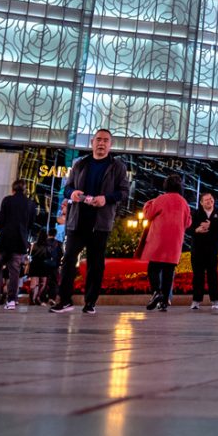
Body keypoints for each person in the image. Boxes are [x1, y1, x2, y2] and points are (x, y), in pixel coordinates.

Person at [54, 128, 128, 315]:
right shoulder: (80, 164)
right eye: (98, 140)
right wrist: (73, 193)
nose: (101, 143)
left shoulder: (117, 166)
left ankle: (90, 302)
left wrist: (106, 198)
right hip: (77, 220)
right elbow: (67, 188)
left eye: (105, 140)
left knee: (96, 264)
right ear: (92, 142)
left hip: (100, 222)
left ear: (110, 145)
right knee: (69, 258)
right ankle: (64, 300)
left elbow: (124, 192)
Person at [141, 179, 189, 312]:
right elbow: (188, 222)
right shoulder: (184, 202)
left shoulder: (161, 199)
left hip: (158, 239)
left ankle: (157, 292)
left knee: (153, 268)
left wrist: (148, 204)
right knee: (169, 272)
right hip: (175, 242)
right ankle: (164, 303)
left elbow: (148, 214)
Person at [0, 179, 36, 309]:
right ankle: (11, 300)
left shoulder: (7, 200)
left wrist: (2, 229)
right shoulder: (30, 204)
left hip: (5, 238)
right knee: (14, 271)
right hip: (20, 240)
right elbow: (31, 223)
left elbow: (0, 219)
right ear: (25, 189)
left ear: (13, 189)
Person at [187, 191, 218, 309]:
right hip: (197, 250)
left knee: (213, 275)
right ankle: (196, 301)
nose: (210, 201)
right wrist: (196, 230)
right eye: (207, 200)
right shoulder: (195, 213)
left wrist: (211, 226)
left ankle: (215, 300)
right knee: (198, 276)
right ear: (202, 203)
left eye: (211, 199)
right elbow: (188, 229)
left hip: (212, 250)